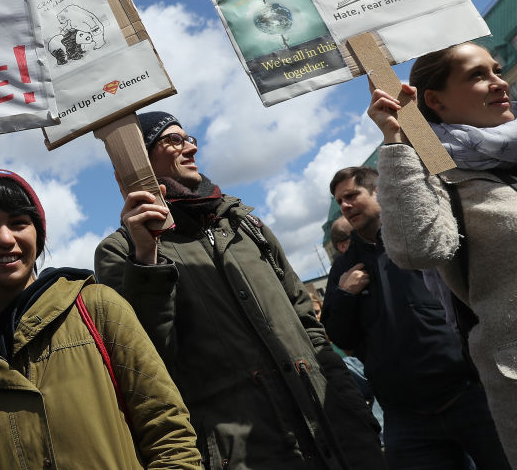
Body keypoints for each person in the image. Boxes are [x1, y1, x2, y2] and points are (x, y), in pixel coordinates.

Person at [95, 111, 385, 470]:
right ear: (139, 159)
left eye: (189, 138)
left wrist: (351, 404)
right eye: (173, 140)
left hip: (340, 436)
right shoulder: (121, 251)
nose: (190, 148)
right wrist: (147, 257)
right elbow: (147, 362)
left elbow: (308, 325)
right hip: (247, 455)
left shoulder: (245, 224)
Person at [0, 169, 201, 469]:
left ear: (39, 234)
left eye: (19, 223)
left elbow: (170, 434)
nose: (5, 238)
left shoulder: (98, 307)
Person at [368, 41, 517, 466]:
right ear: (434, 99)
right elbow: (417, 249)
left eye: (497, 69)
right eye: (477, 75)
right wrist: (396, 139)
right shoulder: (436, 172)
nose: (499, 82)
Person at [322, 165, 509, 470]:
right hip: (406, 419)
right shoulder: (343, 269)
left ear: (377, 192)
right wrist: (345, 296)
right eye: (339, 200)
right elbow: (339, 336)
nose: (344, 205)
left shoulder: (416, 237)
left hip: (471, 396)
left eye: (352, 195)